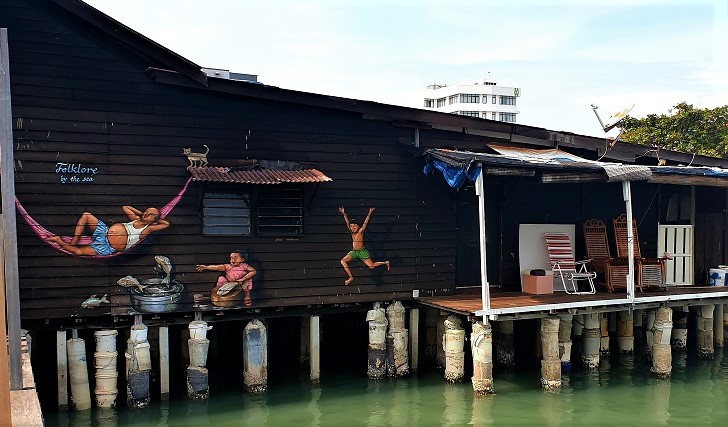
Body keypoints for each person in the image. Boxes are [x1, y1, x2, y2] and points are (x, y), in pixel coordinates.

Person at [46, 206, 170, 256]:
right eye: (147, 211)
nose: (146, 213)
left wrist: (155, 219)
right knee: (86, 215)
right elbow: (125, 207)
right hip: (104, 232)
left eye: (150, 214)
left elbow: (166, 224)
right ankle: (74, 241)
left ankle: (59, 241)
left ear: (154, 220)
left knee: (78, 252)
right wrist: (141, 213)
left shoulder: (148, 228)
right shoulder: (135, 219)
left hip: (106, 247)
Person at [339, 206, 390, 285]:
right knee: (342, 261)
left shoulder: (360, 232)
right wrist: (343, 213)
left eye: (354, 226)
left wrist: (369, 212)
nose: (352, 228)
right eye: (351, 226)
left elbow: (365, 223)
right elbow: (347, 222)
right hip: (354, 252)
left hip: (361, 251)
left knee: (372, 266)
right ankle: (351, 277)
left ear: (358, 226)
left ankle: (385, 262)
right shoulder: (352, 233)